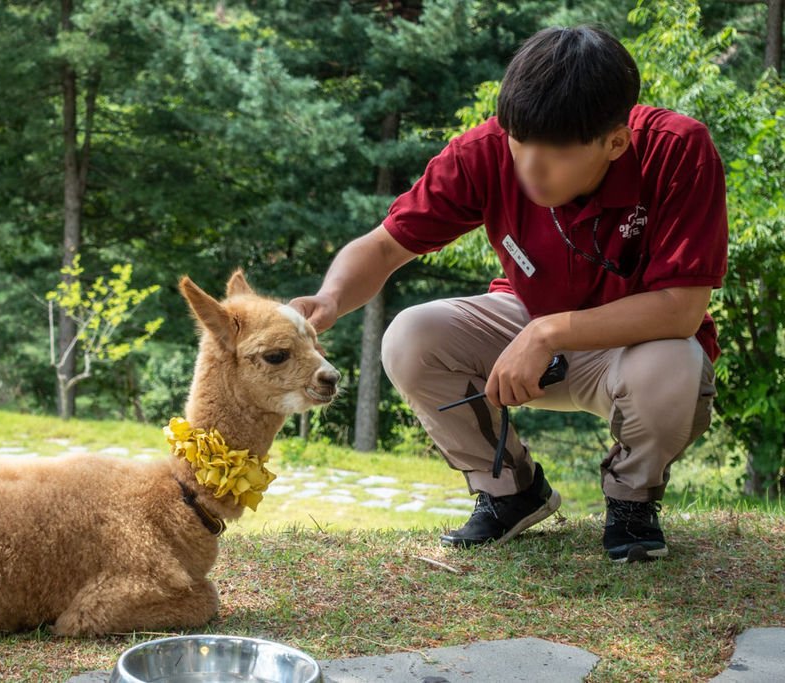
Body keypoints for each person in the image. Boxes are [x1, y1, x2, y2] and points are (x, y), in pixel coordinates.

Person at [288, 26, 727, 563]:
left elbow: (682, 309)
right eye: (520, 143)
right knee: (409, 335)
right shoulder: (487, 149)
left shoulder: (678, 149)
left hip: (634, 349)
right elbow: (383, 248)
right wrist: (330, 298)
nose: (530, 168)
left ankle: (632, 500)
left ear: (616, 141)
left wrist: (549, 332)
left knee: (677, 362)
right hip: (527, 322)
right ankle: (511, 493)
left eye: (557, 152)